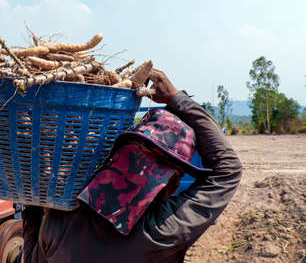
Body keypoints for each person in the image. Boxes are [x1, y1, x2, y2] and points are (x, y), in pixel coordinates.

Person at [20, 68, 242, 263]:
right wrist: (176, 98)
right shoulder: (161, 232)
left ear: (118, 157)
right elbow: (228, 170)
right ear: (172, 184)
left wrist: (31, 208)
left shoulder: (61, 221)